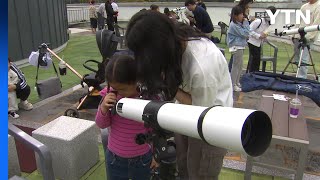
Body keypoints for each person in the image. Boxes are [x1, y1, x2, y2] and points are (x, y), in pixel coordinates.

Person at [126, 10, 233, 180]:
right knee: (184, 166)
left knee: (199, 173)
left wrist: (169, 85)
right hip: (185, 116)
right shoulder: (174, 39)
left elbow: (199, 112)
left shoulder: (202, 67)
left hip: (210, 125)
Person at [95, 55, 157, 180]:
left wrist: (156, 155)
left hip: (142, 158)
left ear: (136, 80)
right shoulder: (111, 96)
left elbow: (155, 130)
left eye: (122, 89)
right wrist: (103, 108)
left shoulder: (148, 98)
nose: (118, 93)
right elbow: (102, 124)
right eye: (114, 88)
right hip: (114, 159)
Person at [292, 0, 320, 79]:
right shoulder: (304, 7)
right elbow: (298, 21)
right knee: (297, 57)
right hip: (298, 35)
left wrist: (307, 37)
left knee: (303, 58)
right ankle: (297, 75)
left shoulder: (318, 6)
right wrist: (294, 34)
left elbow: (316, 24)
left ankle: (301, 78)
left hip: (308, 37)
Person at [227, 5, 250, 92]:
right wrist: (246, 23)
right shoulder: (234, 25)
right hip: (236, 47)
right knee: (236, 66)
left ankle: (236, 82)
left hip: (240, 46)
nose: (242, 16)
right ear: (235, 15)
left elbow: (247, 33)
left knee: (240, 66)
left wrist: (245, 24)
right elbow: (245, 34)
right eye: (240, 14)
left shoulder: (238, 24)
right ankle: (233, 84)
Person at [247, 6, 276, 73]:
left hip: (258, 43)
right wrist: (258, 36)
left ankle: (255, 74)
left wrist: (264, 36)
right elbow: (248, 30)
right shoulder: (258, 21)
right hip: (252, 42)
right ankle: (252, 74)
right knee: (255, 59)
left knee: (257, 60)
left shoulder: (267, 23)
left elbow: (263, 32)